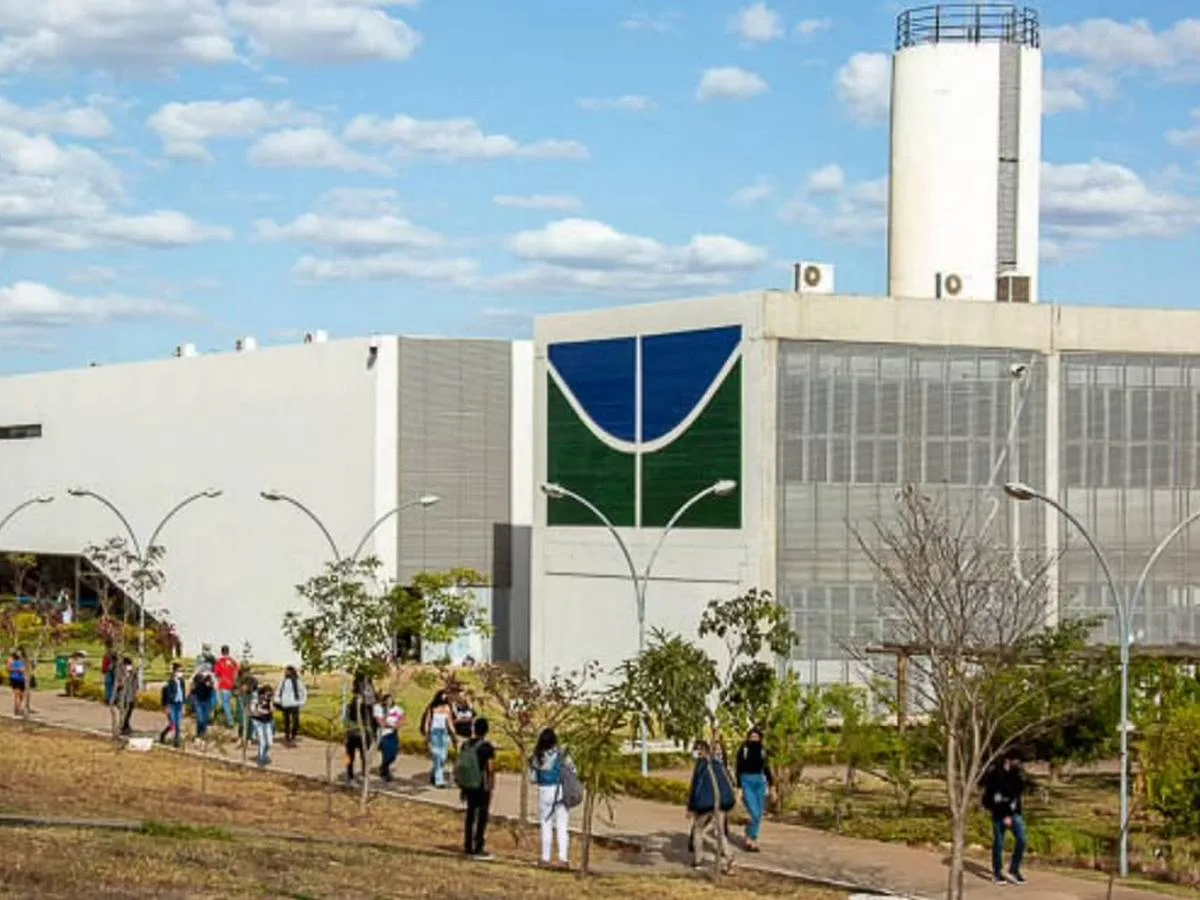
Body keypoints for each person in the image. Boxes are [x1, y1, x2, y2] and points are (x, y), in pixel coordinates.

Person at [686, 739, 736, 873]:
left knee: (698, 829)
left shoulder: (701, 765)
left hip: (706, 804)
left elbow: (695, 787)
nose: (696, 753)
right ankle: (729, 856)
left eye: (697, 750)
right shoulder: (718, 764)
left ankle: (698, 860)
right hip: (722, 803)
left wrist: (691, 807)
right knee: (720, 832)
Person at [983, 751, 1028, 885]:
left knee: (1022, 840)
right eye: (1016, 760)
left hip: (1015, 813)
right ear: (1008, 760)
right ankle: (997, 873)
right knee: (999, 843)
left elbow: (1019, 792)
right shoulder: (995, 775)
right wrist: (1004, 815)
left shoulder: (1016, 775)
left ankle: (1014, 870)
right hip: (999, 814)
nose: (1019, 763)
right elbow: (993, 798)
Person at [530, 727, 570, 868]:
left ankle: (545, 858)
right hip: (559, 790)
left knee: (546, 824)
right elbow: (573, 769)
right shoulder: (561, 753)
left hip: (544, 791)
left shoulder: (537, 755)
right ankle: (563, 859)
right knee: (562, 825)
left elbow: (533, 778)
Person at [459, 716, 495, 859]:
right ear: (486, 730)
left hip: (468, 784)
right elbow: (490, 768)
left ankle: (468, 844)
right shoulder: (486, 747)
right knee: (481, 816)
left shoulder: (466, 745)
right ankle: (478, 846)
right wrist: (491, 785)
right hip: (481, 784)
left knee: (470, 814)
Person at [735, 726, 774, 852]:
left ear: (760, 738)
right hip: (746, 780)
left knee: (759, 812)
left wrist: (772, 786)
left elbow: (767, 769)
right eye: (752, 737)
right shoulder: (744, 749)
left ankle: (751, 837)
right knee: (754, 812)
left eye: (756, 737)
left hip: (759, 782)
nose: (754, 739)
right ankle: (751, 839)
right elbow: (738, 769)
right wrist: (739, 787)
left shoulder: (763, 750)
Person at [421, 690, 456, 788]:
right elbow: (427, 722)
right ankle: (439, 781)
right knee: (437, 756)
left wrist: (453, 734)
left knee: (443, 757)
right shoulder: (432, 708)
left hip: (444, 733)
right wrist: (427, 734)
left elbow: (449, 722)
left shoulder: (447, 708)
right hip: (434, 733)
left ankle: (433, 774)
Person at [374, 693, 405, 782]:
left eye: (391, 700)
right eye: (387, 700)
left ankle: (384, 766)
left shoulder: (397, 709)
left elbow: (402, 719)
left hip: (393, 734)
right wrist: (391, 725)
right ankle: (385, 771)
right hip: (383, 734)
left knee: (393, 753)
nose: (389, 702)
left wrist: (398, 725)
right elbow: (380, 722)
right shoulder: (379, 709)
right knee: (386, 753)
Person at [275, 665, 307, 747]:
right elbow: (279, 691)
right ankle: (287, 736)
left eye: (288, 671)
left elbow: (303, 692)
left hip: (295, 703)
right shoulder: (283, 681)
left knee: (296, 721)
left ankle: (293, 735)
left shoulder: (298, 682)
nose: (286, 672)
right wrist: (278, 700)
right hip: (285, 704)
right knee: (287, 721)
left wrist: (302, 702)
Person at [159, 663, 186, 747]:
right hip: (172, 704)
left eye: (182, 671)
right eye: (179, 671)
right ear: (174, 672)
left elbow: (183, 693)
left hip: (179, 704)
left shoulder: (182, 682)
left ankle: (177, 741)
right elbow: (167, 694)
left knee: (178, 724)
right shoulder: (170, 682)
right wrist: (167, 706)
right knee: (173, 723)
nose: (181, 673)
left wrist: (183, 705)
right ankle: (163, 734)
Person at [212, 645, 239, 728]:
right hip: (232, 685)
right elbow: (237, 672)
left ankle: (230, 722)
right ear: (228, 651)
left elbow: (216, 674)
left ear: (221, 652)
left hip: (224, 685)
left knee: (225, 704)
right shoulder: (233, 661)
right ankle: (234, 719)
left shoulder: (219, 662)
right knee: (233, 704)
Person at [250, 683, 276, 767]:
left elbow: (272, 709)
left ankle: (264, 755)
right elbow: (253, 710)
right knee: (263, 741)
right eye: (267, 694)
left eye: (269, 695)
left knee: (269, 742)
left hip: (268, 721)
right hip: (258, 722)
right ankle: (261, 760)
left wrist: (271, 703)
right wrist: (260, 712)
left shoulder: (270, 700)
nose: (267, 696)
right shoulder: (256, 699)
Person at [189, 666, 215, 740]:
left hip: (206, 701)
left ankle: (202, 734)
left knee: (205, 719)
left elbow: (212, 690)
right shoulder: (197, 677)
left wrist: (210, 685)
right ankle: (198, 734)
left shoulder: (209, 678)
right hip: (198, 700)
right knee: (200, 718)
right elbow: (192, 688)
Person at [115, 657, 139, 736]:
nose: (129, 667)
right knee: (124, 712)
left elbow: (136, 684)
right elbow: (118, 684)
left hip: (131, 696)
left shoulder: (133, 673)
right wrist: (124, 678)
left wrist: (135, 693)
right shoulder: (120, 672)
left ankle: (125, 726)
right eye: (127, 665)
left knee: (129, 712)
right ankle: (123, 727)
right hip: (123, 696)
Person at [7, 648, 27, 717]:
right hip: (15, 678)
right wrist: (17, 669)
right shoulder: (11, 659)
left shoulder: (23, 660)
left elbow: (27, 668)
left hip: (22, 679)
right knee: (17, 695)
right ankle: (17, 710)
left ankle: (18, 708)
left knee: (22, 695)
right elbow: (8, 669)